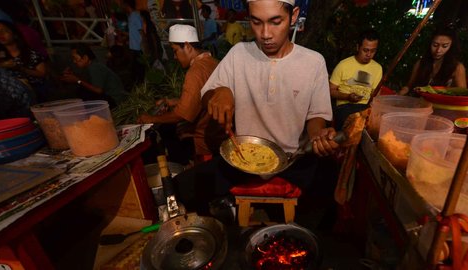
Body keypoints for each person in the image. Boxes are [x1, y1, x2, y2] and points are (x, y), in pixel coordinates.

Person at [180, 0, 339, 208]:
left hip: (292, 159)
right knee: (182, 188)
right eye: (256, 22)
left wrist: (318, 134)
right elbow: (207, 94)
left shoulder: (313, 62)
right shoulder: (239, 54)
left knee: (329, 196)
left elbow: (316, 115)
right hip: (243, 158)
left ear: (293, 16)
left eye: (275, 22)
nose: (265, 34)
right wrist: (220, 91)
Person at [137, 24, 223, 164]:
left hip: (205, 141)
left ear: (188, 46)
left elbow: (182, 115)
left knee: (168, 135)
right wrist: (175, 101)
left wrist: (151, 118)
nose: (175, 57)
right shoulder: (212, 62)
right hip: (219, 132)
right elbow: (204, 96)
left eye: (175, 51)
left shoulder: (195, 72)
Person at [329, 28, 382, 131]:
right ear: (358, 47)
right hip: (345, 107)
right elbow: (330, 91)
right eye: (365, 50)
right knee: (353, 124)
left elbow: (376, 96)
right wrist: (347, 96)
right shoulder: (343, 65)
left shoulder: (378, 68)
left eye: (373, 51)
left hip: (366, 107)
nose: (369, 54)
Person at [400, 26, 466, 96]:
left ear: (451, 47)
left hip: (442, 105)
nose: (438, 50)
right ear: (430, 44)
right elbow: (410, 86)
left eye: (444, 46)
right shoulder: (420, 63)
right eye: (435, 45)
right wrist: (403, 91)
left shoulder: (457, 67)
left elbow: (462, 94)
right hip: (419, 103)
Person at [59, 44, 128, 108]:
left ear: (85, 58)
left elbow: (98, 90)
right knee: (82, 90)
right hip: (112, 98)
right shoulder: (92, 66)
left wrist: (77, 80)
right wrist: (73, 77)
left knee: (83, 92)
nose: (74, 61)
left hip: (116, 101)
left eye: (75, 58)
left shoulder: (95, 67)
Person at [0, 20, 48, 103]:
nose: (0, 34)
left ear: (15, 34)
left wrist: (20, 69)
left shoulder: (30, 53)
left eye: (4, 30)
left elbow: (42, 73)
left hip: (32, 88)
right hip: (7, 92)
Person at [122, 0, 144, 84]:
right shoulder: (131, 16)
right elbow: (133, 32)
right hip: (134, 47)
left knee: (138, 70)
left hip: (138, 47)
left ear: (126, 5)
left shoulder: (135, 15)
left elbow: (141, 30)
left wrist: (144, 45)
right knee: (136, 70)